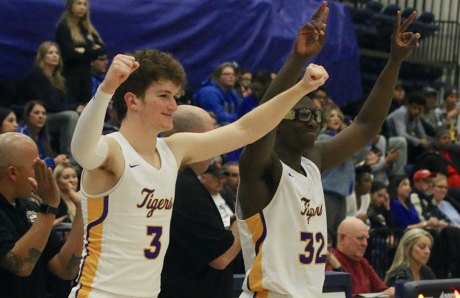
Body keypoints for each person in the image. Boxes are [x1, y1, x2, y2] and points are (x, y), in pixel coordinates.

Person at [69, 48, 328, 297]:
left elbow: (245, 130)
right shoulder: (113, 150)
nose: (173, 105)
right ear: (132, 100)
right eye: (163, 96)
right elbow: (82, 151)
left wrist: (301, 88)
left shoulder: (174, 149)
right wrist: (106, 89)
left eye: (175, 96)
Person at [237, 5, 420, 297]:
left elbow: (366, 124)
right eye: (301, 115)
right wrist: (299, 58)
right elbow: (261, 120)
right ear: (279, 122)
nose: (312, 120)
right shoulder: (262, 169)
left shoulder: (314, 160)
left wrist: (394, 62)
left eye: (316, 115)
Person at [160, 105, 241, 298]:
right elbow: (220, 258)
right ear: (190, 139)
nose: (215, 148)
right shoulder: (184, 187)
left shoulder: (168, 177)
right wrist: (241, 221)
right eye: (210, 138)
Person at [0, 132, 83, 297]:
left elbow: (64, 269)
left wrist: (81, 211)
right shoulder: (43, 209)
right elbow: (21, 266)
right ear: (13, 173)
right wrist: (49, 207)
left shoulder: (29, 206)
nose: (42, 173)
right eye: (36, 167)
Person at [22, 41, 80, 160]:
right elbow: (49, 104)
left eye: (57, 53)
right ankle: (70, 160)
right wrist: (74, 108)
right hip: (40, 115)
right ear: (42, 56)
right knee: (71, 116)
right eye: (50, 53)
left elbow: (68, 100)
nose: (54, 56)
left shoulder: (59, 79)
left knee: (80, 115)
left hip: (55, 114)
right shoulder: (37, 75)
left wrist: (78, 107)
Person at [56, 0, 105, 105]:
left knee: (86, 105)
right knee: (73, 105)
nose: (82, 7)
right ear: (71, 6)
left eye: (84, 4)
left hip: (86, 74)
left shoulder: (88, 29)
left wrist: (83, 50)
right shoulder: (64, 27)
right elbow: (69, 53)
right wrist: (91, 50)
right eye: (78, 3)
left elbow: (101, 50)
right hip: (70, 73)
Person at [333, 217, 395, 296]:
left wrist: (390, 291)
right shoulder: (331, 264)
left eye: (366, 239)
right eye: (360, 238)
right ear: (342, 238)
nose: (365, 244)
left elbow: (382, 289)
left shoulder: (363, 263)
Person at [18, 101, 69, 169]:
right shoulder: (21, 135)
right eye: (36, 113)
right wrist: (54, 161)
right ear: (28, 116)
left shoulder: (42, 136)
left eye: (43, 113)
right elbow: (31, 166)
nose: (41, 116)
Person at [194, 61, 242, 126]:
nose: (231, 77)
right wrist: (241, 118)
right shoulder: (209, 92)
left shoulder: (231, 91)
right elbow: (219, 117)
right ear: (217, 76)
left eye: (233, 74)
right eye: (227, 74)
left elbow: (241, 109)